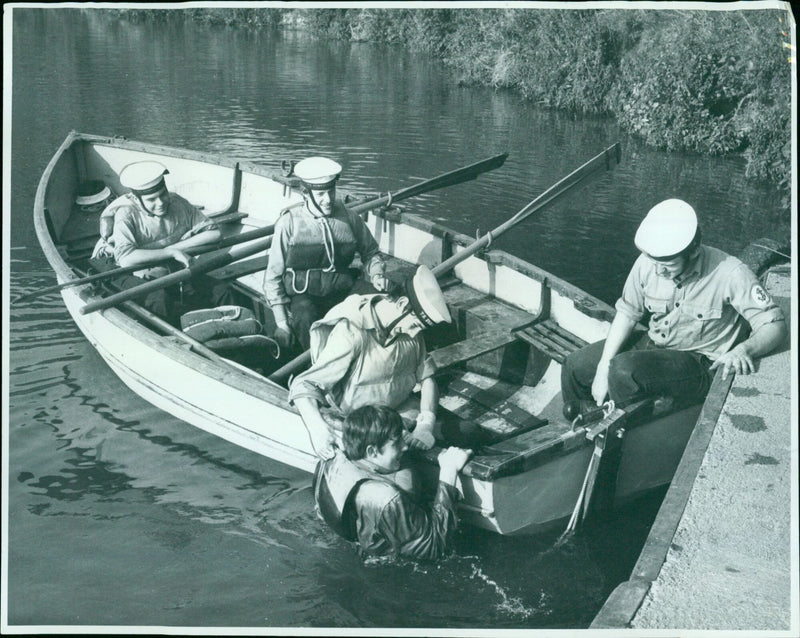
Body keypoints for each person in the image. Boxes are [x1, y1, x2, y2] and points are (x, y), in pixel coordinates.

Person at [561, 198, 786, 418]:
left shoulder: (731, 273)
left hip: (699, 362)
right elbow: (628, 313)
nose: (659, 272)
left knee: (623, 371)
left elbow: (774, 325)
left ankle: (621, 436)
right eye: (655, 263)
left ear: (694, 252)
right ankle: (586, 428)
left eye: (668, 266)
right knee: (574, 366)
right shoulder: (648, 263)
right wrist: (602, 367)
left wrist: (744, 350)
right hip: (657, 344)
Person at [289, 265, 451, 459]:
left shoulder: (408, 328)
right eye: (415, 325)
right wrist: (317, 429)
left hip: (401, 415)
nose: (415, 334)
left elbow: (427, 377)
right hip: (361, 422)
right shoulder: (352, 332)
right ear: (401, 304)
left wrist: (426, 424)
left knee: (468, 432)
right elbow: (304, 384)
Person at [313, 405, 472, 560]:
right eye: (396, 443)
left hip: (355, 541)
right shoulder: (387, 499)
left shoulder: (329, 461)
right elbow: (435, 547)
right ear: (372, 451)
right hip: (394, 565)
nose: (404, 447)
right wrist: (448, 472)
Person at [264, 156, 388, 351]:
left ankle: (376, 358)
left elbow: (371, 252)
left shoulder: (349, 217)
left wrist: (377, 274)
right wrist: (281, 323)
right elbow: (273, 277)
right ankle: (314, 371)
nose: (328, 199)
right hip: (305, 295)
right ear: (305, 193)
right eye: (321, 194)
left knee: (382, 300)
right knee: (305, 316)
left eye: (331, 191)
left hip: (342, 288)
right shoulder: (289, 223)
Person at [93, 160, 235, 325]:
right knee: (159, 301)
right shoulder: (126, 214)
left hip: (171, 269)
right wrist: (171, 253)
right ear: (136, 199)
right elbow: (126, 258)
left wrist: (173, 248)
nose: (160, 203)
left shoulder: (177, 202)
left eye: (163, 194)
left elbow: (213, 233)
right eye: (151, 199)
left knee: (222, 291)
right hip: (131, 273)